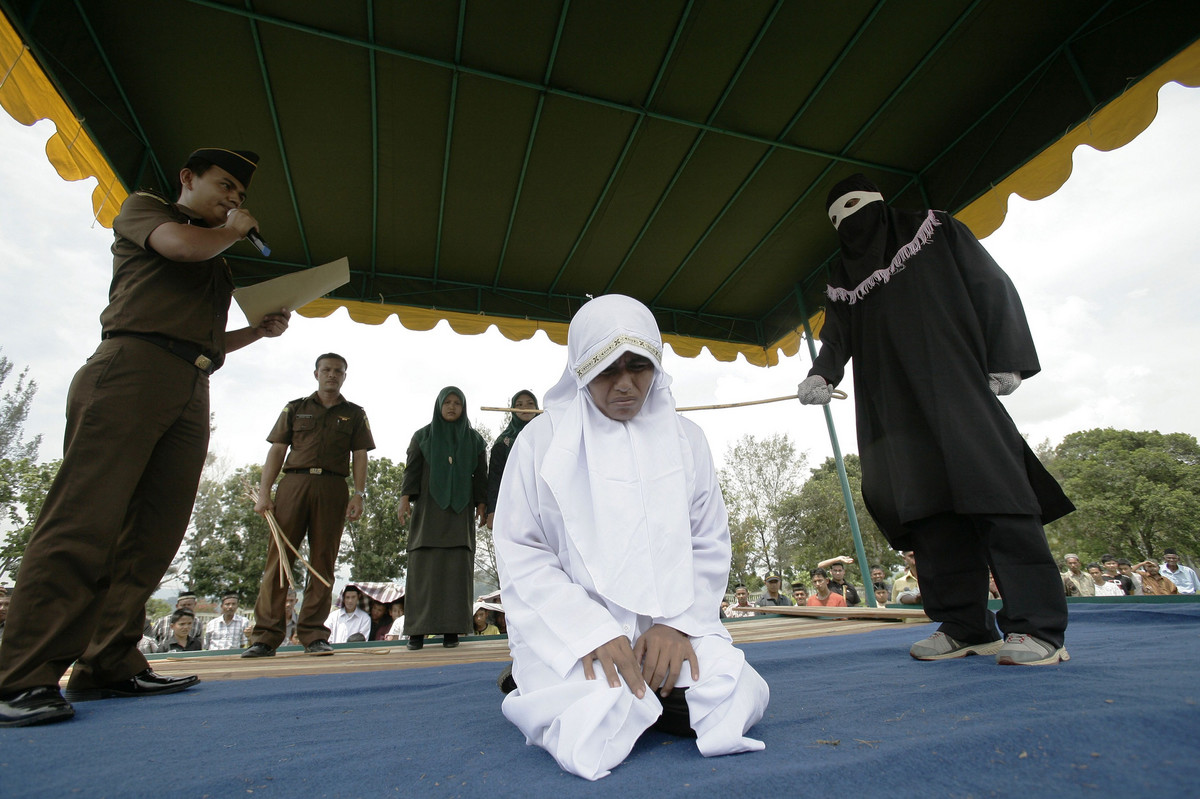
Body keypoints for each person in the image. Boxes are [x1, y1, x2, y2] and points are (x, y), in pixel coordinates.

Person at [0, 147, 291, 727]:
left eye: (239, 195)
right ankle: (22, 676)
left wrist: (255, 333)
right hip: (130, 369)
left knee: (154, 534)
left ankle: (107, 662)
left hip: (190, 381)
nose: (234, 199)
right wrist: (232, 233)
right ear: (188, 179)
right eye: (225, 185)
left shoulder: (216, 257)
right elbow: (178, 246)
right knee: (83, 521)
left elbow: (202, 338)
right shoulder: (146, 210)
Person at [798, 174, 1074, 667]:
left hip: (954, 388)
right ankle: (966, 625)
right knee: (926, 511)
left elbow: (990, 284)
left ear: (879, 203)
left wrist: (1007, 358)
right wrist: (821, 373)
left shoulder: (933, 228)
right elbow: (836, 336)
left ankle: (1038, 629)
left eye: (853, 208)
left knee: (996, 495)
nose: (847, 222)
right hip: (890, 408)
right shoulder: (841, 275)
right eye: (836, 219)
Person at [492, 294, 769, 780]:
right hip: (576, 634)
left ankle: (647, 693)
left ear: (656, 365)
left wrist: (677, 625)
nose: (625, 384)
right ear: (581, 369)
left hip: (669, 627)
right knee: (593, 710)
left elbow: (708, 542)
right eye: (606, 369)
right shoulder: (539, 443)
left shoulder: (688, 439)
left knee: (731, 687)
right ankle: (553, 678)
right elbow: (522, 553)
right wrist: (593, 633)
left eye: (638, 366)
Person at [242, 353, 375, 659]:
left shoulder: (354, 414)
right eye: (326, 370)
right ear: (316, 373)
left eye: (338, 371)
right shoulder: (295, 407)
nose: (332, 375)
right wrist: (265, 492)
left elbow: (361, 454)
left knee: (323, 560)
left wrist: (359, 494)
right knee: (279, 559)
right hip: (294, 484)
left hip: (332, 487)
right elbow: (277, 449)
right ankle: (265, 636)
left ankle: (314, 633)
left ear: (344, 376)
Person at [398, 387, 487, 651]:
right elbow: (411, 471)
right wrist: (404, 499)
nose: (451, 407)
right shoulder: (423, 436)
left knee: (456, 571)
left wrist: (482, 504)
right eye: (446, 402)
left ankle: (452, 631)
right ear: (439, 405)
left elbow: (480, 477)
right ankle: (417, 632)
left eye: (457, 403)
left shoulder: (474, 441)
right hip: (428, 514)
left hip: (460, 518)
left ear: (463, 407)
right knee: (423, 572)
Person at [485, 390, 539, 529]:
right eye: (519, 405)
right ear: (512, 410)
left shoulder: (549, 437)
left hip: (542, 503)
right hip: (513, 504)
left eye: (530, 403)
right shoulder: (503, 442)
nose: (525, 407)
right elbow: (495, 479)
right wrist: (491, 510)